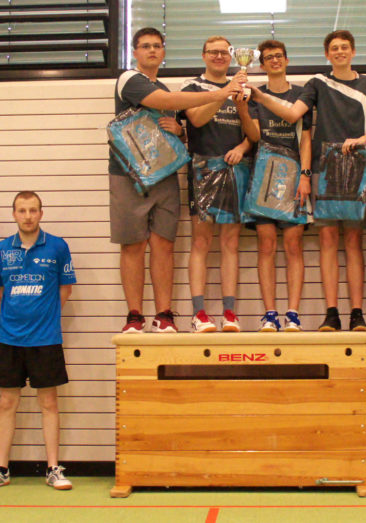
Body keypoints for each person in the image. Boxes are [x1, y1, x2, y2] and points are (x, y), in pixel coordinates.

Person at [249, 29, 366, 332]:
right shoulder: (317, 83)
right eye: (334, 48)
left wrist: (361, 140)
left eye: (345, 47)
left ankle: (357, 313)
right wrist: (259, 96)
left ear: (353, 51)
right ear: (327, 54)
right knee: (327, 240)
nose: (340, 52)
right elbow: (292, 115)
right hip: (325, 168)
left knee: (353, 241)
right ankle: (332, 313)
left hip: (357, 168)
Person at [111, 27, 243, 334]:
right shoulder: (129, 79)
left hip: (165, 172)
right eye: (146, 46)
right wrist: (222, 92)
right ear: (135, 52)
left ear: (163, 52)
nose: (152, 50)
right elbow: (168, 100)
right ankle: (134, 316)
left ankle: (164, 315)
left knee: (163, 244)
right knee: (133, 245)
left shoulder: (162, 85)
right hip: (129, 174)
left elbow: (177, 123)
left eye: (157, 46)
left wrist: (180, 131)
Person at [0, 191, 76, 491]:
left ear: (41, 213)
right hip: (9, 339)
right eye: (22, 210)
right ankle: (1, 468)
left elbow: (65, 289)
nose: (28, 216)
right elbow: (0, 291)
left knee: (49, 403)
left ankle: (53, 468)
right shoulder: (1, 249)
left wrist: (43, 316)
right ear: (14, 214)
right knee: (7, 403)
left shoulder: (57, 246)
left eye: (33, 210)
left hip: (46, 339)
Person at [236, 39, 313, 332]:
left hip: (294, 175)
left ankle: (293, 314)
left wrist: (305, 175)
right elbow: (255, 136)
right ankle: (270, 314)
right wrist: (243, 109)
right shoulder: (254, 95)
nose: (275, 60)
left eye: (279, 56)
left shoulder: (302, 94)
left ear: (287, 59)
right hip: (263, 174)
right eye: (269, 57)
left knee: (294, 245)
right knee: (266, 245)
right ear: (261, 64)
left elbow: (306, 139)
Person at [182, 35, 251, 333]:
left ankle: (229, 313)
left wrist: (243, 147)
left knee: (231, 243)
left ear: (232, 56)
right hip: (202, 169)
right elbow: (196, 120)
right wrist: (224, 93)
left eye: (224, 52)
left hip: (235, 171)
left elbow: (253, 133)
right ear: (204, 55)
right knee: (201, 242)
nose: (219, 56)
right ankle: (199, 314)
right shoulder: (192, 87)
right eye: (213, 52)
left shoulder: (243, 88)